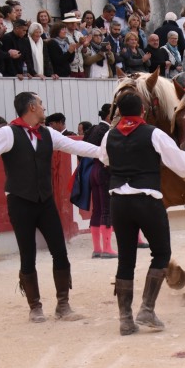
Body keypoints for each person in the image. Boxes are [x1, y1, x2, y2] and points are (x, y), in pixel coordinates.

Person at [0, 92, 102, 322]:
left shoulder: (47, 133)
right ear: (32, 107)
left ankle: (63, 305)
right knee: (28, 255)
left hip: (45, 202)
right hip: (20, 202)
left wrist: (105, 153)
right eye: (41, 104)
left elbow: (78, 147)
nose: (44, 107)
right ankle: (35, 306)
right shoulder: (6, 133)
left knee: (60, 251)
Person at [100, 92, 185, 335]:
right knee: (161, 253)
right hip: (147, 200)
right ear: (143, 110)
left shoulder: (109, 134)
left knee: (126, 259)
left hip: (119, 201)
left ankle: (125, 319)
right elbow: (178, 161)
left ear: (119, 112)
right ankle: (147, 309)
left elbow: (105, 158)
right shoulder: (153, 133)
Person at [83, 104, 119, 259]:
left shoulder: (92, 129)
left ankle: (97, 248)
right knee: (106, 209)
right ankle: (107, 248)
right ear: (109, 116)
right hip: (105, 170)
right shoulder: (109, 131)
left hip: (93, 170)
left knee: (97, 209)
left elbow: (82, 150)